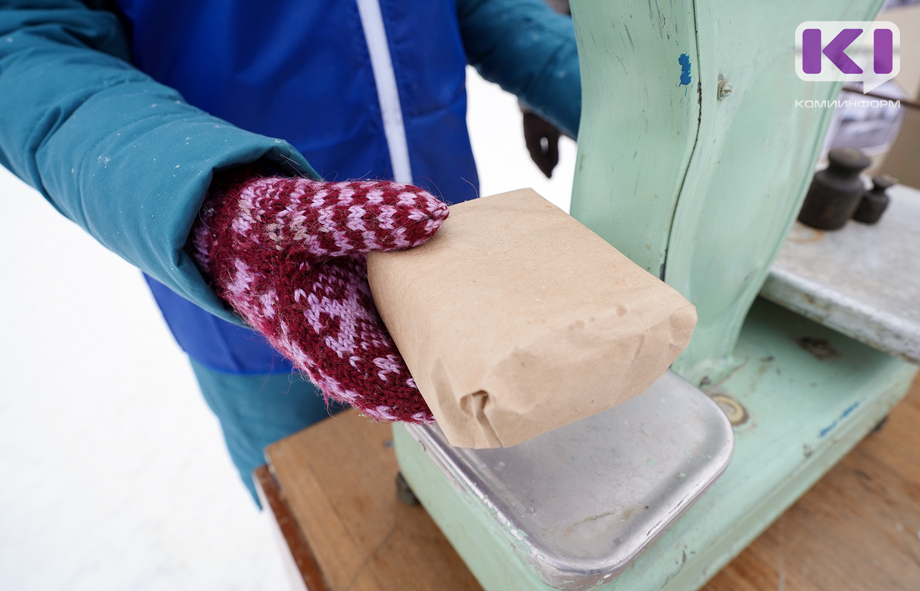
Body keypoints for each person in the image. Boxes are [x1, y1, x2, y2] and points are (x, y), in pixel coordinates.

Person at [0, 0, 581, 502]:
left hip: (442, 254)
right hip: (261, 306)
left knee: (486, 501)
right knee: (339, 530)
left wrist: (620, 90)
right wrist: (215, 212)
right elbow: (23, 42)